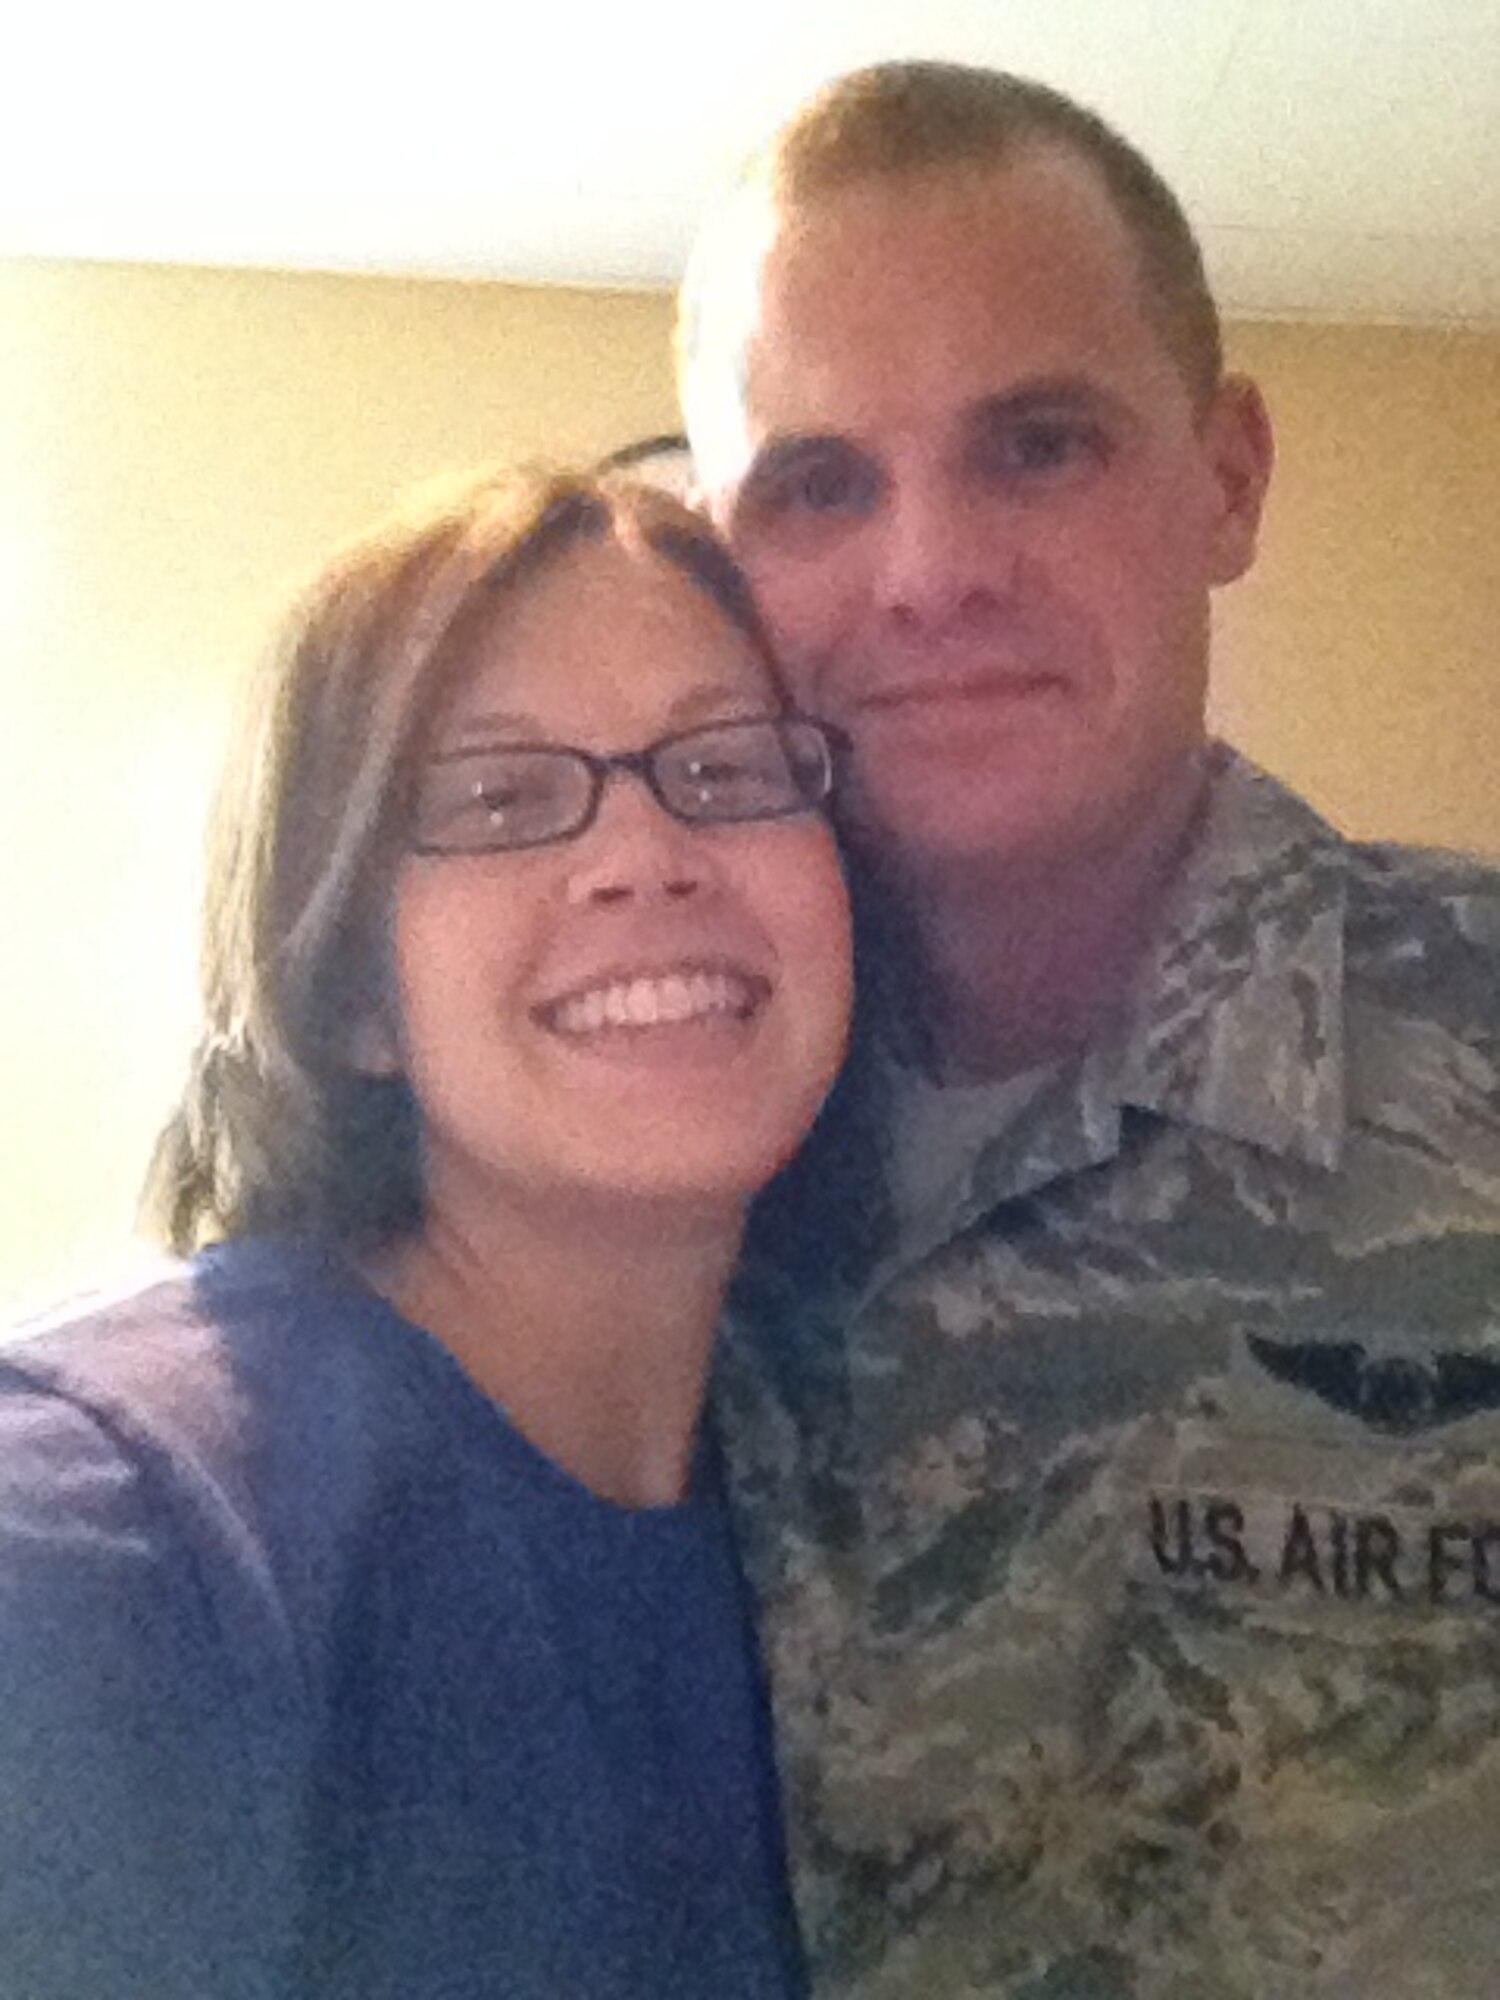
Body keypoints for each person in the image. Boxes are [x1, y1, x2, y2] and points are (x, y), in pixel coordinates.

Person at [677, 59, 1500, 2000]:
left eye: (1038, 444)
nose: (933, 569)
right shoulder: (643, 1147)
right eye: (819, 482)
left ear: (1226, 479)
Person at [0, 465, 853, 1999]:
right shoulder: (111, 1539)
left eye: (725, 770)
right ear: (342, 990)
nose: (647, 854)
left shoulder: (871, 1493)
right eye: (501, 798)